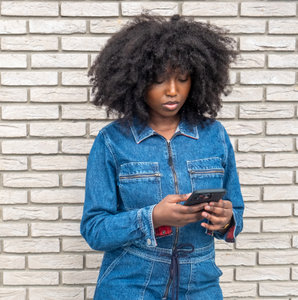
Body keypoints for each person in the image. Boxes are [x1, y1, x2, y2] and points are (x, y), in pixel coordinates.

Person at [80, 14, 244, 300]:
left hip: (200, 286)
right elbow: (95, 230)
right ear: (136, 80)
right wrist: (152, 217)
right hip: (130, 285)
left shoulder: (214, 136)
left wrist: (226, 220)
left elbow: (236, 213)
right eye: (159, 80)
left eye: (182, 79)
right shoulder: (112, 141)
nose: (172, 90)